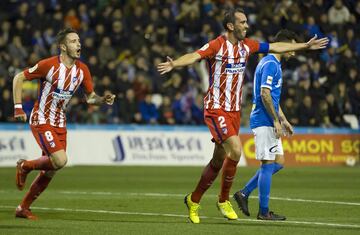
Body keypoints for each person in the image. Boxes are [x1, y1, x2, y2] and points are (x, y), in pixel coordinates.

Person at [157, 8, 328, 224]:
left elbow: (275, 46)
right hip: (216, 107)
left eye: (246, 22)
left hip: (234, 110)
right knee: (236, 150)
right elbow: (195, 56)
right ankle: (223, 200)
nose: (247, 26)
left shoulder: (248, 46)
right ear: (231, 26)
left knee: (218, 159)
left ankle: (193, 199)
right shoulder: (217, 45)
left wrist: (304, 46)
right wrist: (175, 64)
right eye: (243, 22)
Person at [13, 28, 116, 220]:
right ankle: (25, 166)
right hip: (41, 118)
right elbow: (19, 77)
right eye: (73, 41)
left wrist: (103, 99)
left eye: (79, 41)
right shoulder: (48, 65)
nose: (79, 44)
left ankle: (23, 208)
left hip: (60, 122)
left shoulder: (82, 70)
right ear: (63, 46)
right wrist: (18, 107)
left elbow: (90, 98)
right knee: (60, 160)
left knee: (52, 169)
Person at [233, 29, 298, 220]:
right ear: (283, 45)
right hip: (264, 119)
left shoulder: (272, 64)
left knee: (278, 163)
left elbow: (273, 98)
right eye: (292, 47)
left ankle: (244, 192)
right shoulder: (270, 64)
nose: (294, 51)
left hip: (270, 119)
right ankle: (263, 211)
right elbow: (265, 94)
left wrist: (283, 119)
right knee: (268, 163)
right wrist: (276, 121)